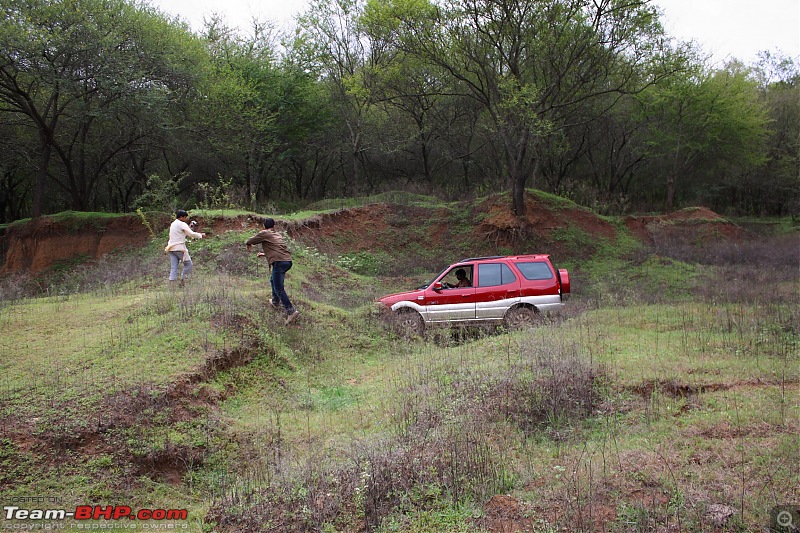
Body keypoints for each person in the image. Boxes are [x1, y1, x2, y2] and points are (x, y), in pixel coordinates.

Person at [246, 217, 300, 325]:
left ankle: (291, 311)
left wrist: (248, 244)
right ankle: (275, 302)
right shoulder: (277, 235)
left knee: (278, 287)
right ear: (274, 226)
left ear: (264, 226)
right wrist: (264, 254)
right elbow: (278, 250)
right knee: (273, 281)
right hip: (287, 261)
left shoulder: (265, 233)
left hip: (279, 262)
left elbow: (250, 240)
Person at [165, 210, 205, 285]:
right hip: (179, 248)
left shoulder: (173, 224)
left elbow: (182, 234)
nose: (186, 218)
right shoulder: (181, 224)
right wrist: (201, 235)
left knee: (174, 267)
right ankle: (184, 280)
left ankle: (172, 283)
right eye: (185, 217)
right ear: (181, 217)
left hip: (171, 248)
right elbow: (191, 234)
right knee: (188, 264)